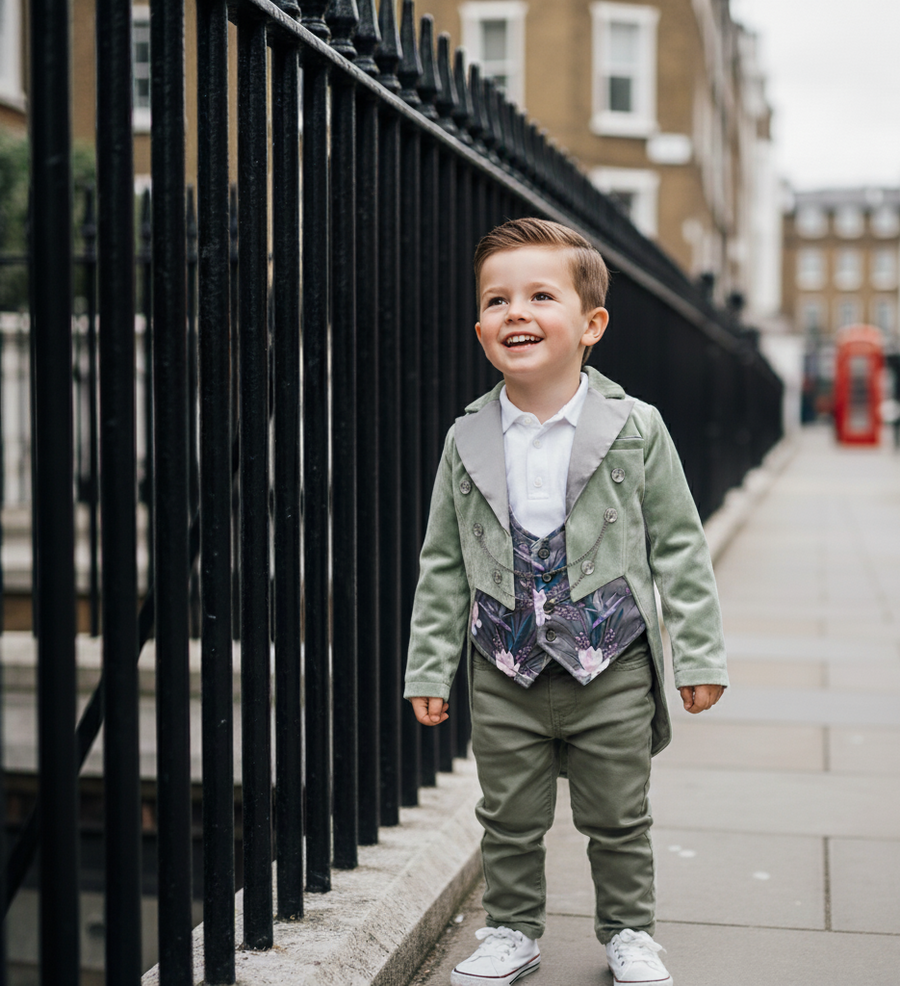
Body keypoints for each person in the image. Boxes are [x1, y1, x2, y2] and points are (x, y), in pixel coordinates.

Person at [404, 218, 728, 986]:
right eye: (497, 299)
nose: (516, 312)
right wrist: (428, 667)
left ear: (591, 325)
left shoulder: (635, 428)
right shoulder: (467, 439)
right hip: (502, 665)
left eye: (539, 295)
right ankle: (512, 930)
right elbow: (444, 563)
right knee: (507, 818)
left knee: (618, 816)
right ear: (480, 327)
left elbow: (679, 547)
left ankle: (630, 934)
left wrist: (700, 654)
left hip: (609, 661)